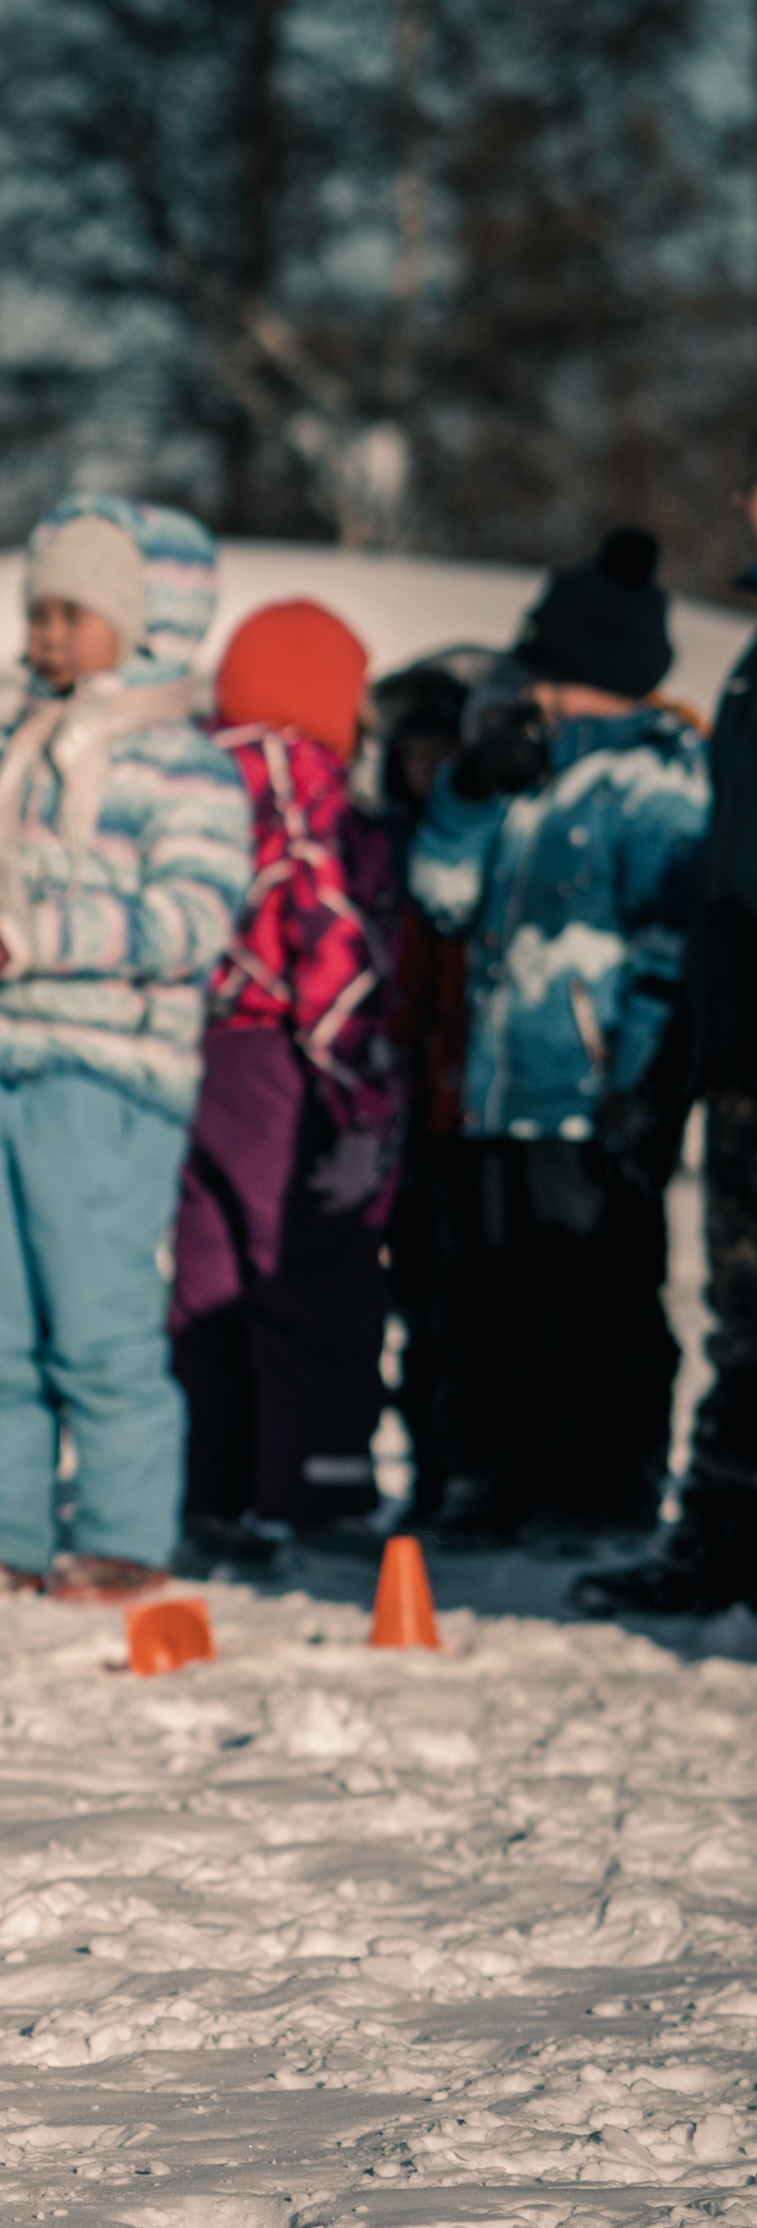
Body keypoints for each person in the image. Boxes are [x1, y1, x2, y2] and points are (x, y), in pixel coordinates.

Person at [0, 496, 251, 1601]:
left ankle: (122, 1535)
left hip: (107, 1079)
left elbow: (194, 917)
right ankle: (3, 1532)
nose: (47, 634)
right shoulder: (5, 750)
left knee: (99, 1317)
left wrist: (37, 939)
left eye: (74, 613)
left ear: (144, 623)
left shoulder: (184, 766)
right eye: (38, 611)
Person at [408, 530, 708, 1543]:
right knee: (489, 1292)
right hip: (496, 1088)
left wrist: (643, 1078)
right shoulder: (519, 774)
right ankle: (498, 1476)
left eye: (547, 673)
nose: (530, 691)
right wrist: (467, 792)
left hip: (590, 1093)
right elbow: (440, 897)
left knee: (595, 1294)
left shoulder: (654, 782)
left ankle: (603, 1482)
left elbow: (667, 943)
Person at [169, 600, 401, 1562]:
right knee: (308, 1267)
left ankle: (212, 1482)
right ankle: (316, 1483)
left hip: (190, 1050)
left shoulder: (189, 773)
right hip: (283, 1059)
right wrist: (362, 1110)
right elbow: (336, 944)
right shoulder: (307, 791)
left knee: (207, 1273)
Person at [577, 460, 757, 1613]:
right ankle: (724, 1540)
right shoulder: (745, 665)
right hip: (737, 1041)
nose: (745, 502)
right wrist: (682, 1048)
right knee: (741, 1307)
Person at [371, 655, 483, 1521]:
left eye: (443, 754)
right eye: (413, 756)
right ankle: (432, 1472)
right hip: (407, 1111)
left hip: (471, 1110)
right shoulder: (383, 851)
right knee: (416, 1303)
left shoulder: (479, 847)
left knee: (472, 1301)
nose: (426, 772)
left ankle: (472, 1465)